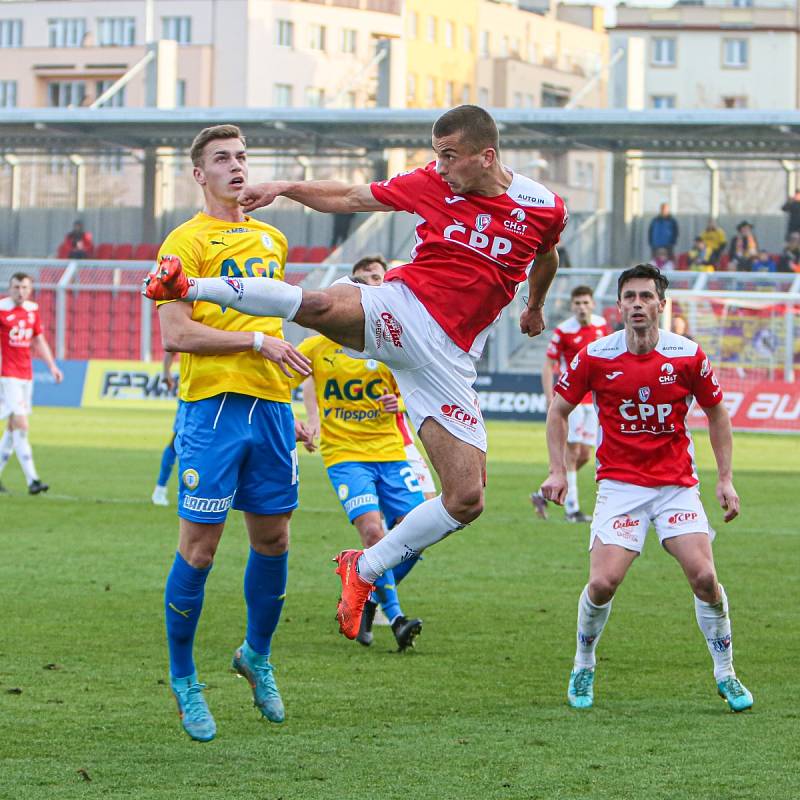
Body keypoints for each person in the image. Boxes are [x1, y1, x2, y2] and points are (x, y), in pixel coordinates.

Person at [144, 104, 568, 643]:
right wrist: (284, 186)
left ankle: (364, 569)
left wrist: (534, 306)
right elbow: (347, 196)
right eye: (435, 155)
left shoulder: (543, 207)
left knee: (467, 499)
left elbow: (547, 255)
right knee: (317, 306)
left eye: (449, 156)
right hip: (407, 305)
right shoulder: (430, 184)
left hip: (450, 359)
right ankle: (187, 286)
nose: (439, 167)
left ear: (486, 157)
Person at [152, 124, 312, 743]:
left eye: (242, 157)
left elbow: (272, 323)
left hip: (270, 410)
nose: (236, 167)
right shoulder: (183, 242)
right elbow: (176, 334)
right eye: (222, 159)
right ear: (199, 174)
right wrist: (254, 341)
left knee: (273, 540)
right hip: (212, 410)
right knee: (201, 549)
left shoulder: (272, 239)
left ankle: (256, 655)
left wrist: (288, 401)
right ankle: (184, 677)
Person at [540, 263, 753, 713]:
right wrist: (558, 472)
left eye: (645, 296)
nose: (637, 304)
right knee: (602, 583)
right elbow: (558, 412)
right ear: (618, 306)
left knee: (705, 578)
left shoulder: (688, 355)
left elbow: (717, 414)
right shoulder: (596, 356)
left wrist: (726, 479)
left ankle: (726, 673)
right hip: (619, 487)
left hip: (675, 486)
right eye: (629, 297)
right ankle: (583, 663)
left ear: (661, 304)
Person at [295, 255, 428, 651]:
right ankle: (398, 617)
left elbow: (415, 383)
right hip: (344, 455)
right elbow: (282, 379)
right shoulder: (316, 346)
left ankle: (366, 590)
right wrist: (305, 420)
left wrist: (399, 402)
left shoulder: (385, 342)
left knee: (417, 536)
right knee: (373, 533)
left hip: (389, 450)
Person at [531, 285, 609, 523]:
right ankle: (572, 509)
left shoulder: (601, 326)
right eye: (577, 303)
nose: (582, 307)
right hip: (573, 399)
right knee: (573, 452)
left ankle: (541, 494)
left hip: (594, 399)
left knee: (584, 454)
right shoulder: (564, 331)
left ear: (592, 304)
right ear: (572, 306)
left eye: (586, 303)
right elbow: (548, 364)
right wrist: (549, 397)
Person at [0, 272, 62, 494]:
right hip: (7, 376)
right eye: (16, 287)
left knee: (11, 426)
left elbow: (38, 340)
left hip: (26, 375)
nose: (20, 291)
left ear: (30, 289)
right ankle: (33, 480)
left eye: (24, 287)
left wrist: (52, 366)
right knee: (22, 424)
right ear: (9, 288)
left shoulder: (32, 310)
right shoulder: (2, 308)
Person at [151, 352, 179, 506]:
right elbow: (171, 348)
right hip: (192, 397)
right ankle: (160, 490)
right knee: (176, 443)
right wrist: (166, 372)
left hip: (215, 395)